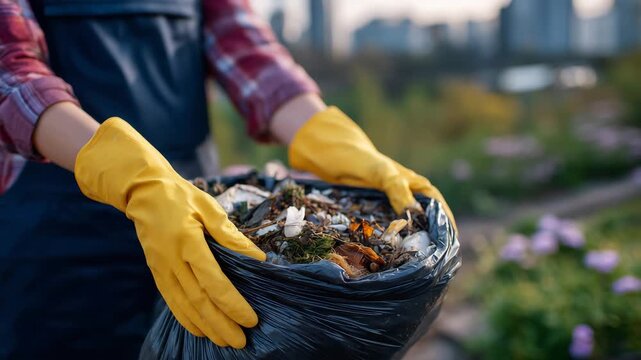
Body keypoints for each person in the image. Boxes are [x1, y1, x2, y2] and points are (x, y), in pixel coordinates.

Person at [0, 0, 455, 357]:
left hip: (202, 226)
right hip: (56, 243)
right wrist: (131, 175)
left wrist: (330, 137)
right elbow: (10, 68)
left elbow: (243, 46)